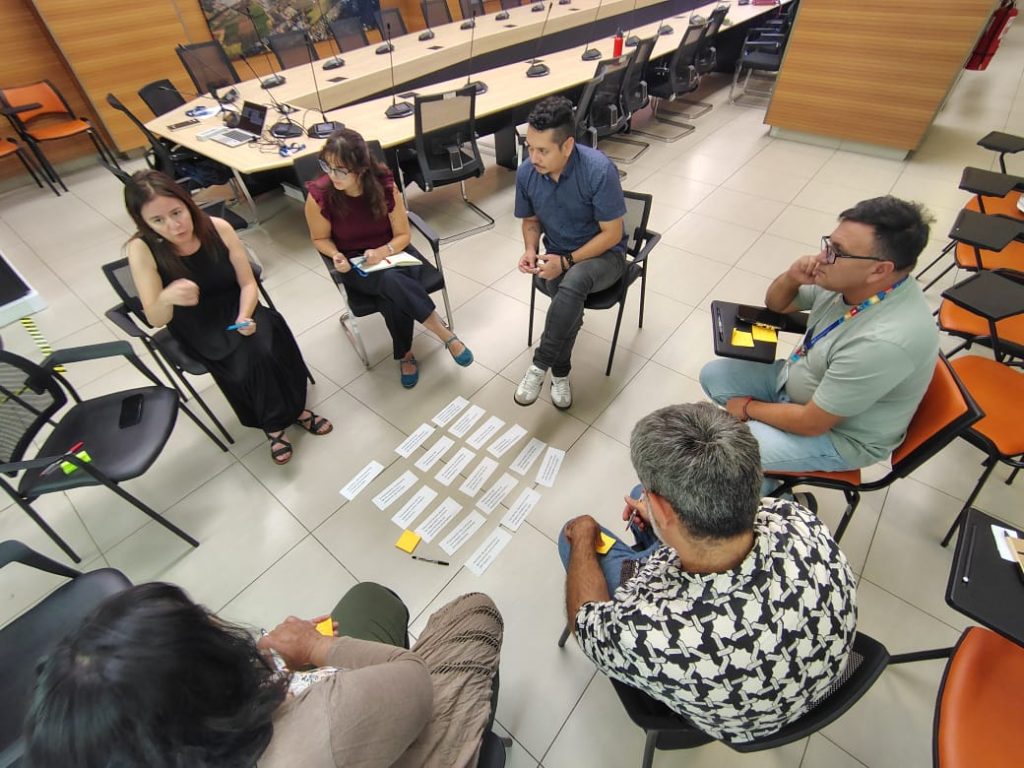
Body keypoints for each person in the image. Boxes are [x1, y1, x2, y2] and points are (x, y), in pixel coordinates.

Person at [559, 403, 857, 743]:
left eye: (657, 509)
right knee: (644, 493)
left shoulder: (646, 629)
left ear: (663, 511)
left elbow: (584, 622)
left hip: (725, 700)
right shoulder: (796, 518)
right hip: (806, 674)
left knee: (572, 538)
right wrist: (661, 523)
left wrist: (584, 532)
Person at [23, 581, 504, 768]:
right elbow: (414, 679)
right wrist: (316, 648)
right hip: (386, 721)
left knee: (365, 601)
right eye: (203, 623)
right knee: (473, 610)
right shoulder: (321, 724)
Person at [700, 196, 939, 492]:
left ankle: (773, 495)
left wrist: (748, 408)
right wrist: (791, 277)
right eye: (829, 244)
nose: (822, 257)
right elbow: (777, 304)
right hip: (801, 384)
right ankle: (764, 462)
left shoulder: (884, 341)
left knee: (725, 456)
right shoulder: (850, 282)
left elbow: (812, 423)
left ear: (879, 270)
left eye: (837, 251)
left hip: (838, 434)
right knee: (714, 375)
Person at [125, 170, 331, 466]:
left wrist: (244, 316)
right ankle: (275, 425)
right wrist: (166, 297)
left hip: (239, 306)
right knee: (250, 359)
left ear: (187, 203)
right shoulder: (142, 249)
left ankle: (294, 408)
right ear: (143, 222)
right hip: (197, 324)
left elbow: (248, 283)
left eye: (177, 212)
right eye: (158, 220)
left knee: (272, 339)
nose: (173, 225)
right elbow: (156, 318)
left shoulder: (217, 227)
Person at [304, 128, 473, 389]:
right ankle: (445, 334)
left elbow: (403, 235)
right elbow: (319, 239)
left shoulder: (384, 185)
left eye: (340, 170)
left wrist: (383, 252)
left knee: (390, 289)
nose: (332, 175)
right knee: (390, 283)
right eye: (327, 166)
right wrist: (336, 254)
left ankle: (405, 355)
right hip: (356, 266)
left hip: (394, 254)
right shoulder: (320, 195)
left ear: (361, 168)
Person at [513, 95, 627, 410]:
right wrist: (530, 249)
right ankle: (561, 373)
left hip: (605, 256)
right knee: (568, 306)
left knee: (573, 281)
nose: (533, 158)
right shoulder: (527, 173)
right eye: (529, 147)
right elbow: (531, 221)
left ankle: (540, 366)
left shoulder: (598, 170)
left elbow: (613, 234)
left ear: (567, 146)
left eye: (542, 150)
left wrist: (565, 262)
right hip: (558, 255)